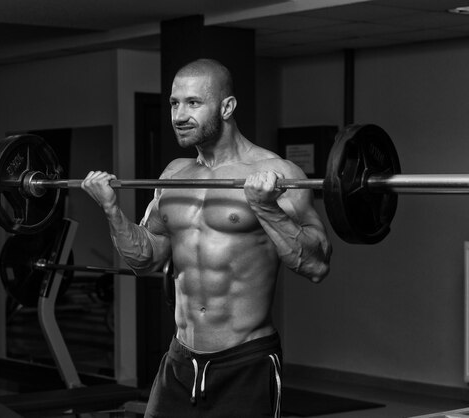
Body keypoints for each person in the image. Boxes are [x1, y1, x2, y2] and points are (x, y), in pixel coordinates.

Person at [81, 58, 332, 418]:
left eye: (194, 103)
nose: (179, 115)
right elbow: (144, 260)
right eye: (174, 103)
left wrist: (266, 207)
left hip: (245, 363)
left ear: (227, 107)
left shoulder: (277, 173)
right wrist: (111, 210)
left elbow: (317, 264)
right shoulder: (174, 174)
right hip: (180, 359)